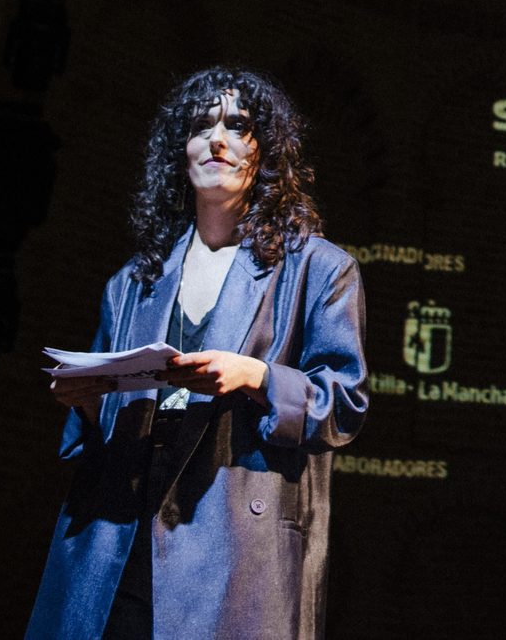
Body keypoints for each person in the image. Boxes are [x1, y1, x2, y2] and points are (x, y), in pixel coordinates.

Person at [25, 67, 368, 640]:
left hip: (229, 554)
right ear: (178, 153)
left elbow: (345, 404)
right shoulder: (134, 280)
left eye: (239, 126)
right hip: (117, 545)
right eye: (201, 125)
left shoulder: (319, 268)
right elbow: (89, 438)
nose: (217, 140)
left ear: (266, 153)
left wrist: (256, 375)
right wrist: (85, 403)